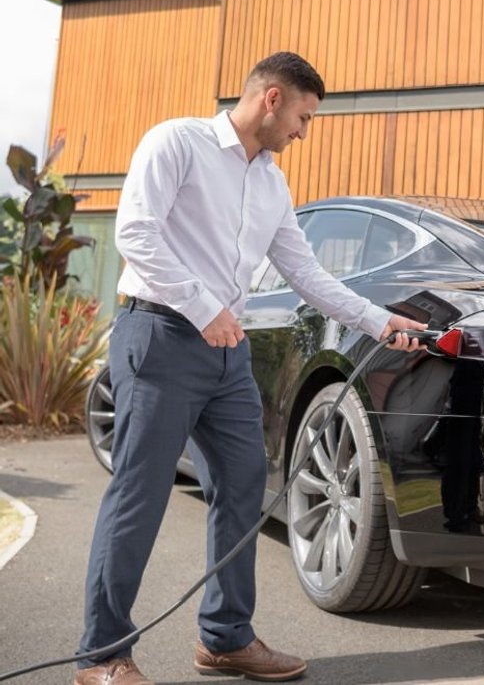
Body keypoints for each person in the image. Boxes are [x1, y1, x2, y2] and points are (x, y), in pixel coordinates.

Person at [73, 51, 425, 685]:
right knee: (139, 497)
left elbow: (306, 272)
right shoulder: (176, 142)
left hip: (225, 355)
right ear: (271, 98)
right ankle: (102, 656)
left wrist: (380, 321)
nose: (303, 131)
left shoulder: (271, 184)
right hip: (159, 336)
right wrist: (204, 307)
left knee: (242, 487)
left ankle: (225, 637)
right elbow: (136, 233)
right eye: (302, 115)